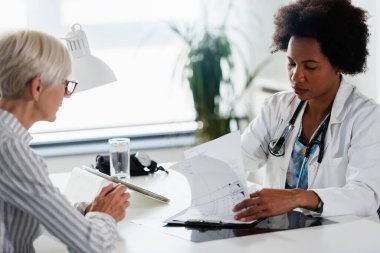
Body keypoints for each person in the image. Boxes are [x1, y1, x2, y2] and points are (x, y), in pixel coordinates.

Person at [233, 0, 380, 222]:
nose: (296, 76)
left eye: (310, 67)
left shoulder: (367, 118)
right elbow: (238, 159)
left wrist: (298, 197)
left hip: (343, 239)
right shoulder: (277, 108)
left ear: (339, 64)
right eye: (291, 63)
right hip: (283, 237)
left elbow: (366, 195)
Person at [0, 30, 130, 252]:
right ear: (37, 87)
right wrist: (105, 215)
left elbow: (35, 207)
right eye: (65, 84)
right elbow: (90, 245)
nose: (67, 95)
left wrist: (87, 211)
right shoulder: (10, 150)